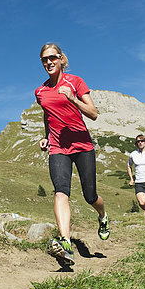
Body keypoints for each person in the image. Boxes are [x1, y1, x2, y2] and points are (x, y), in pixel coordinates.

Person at [35, 43, 110, 267]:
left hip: (82, 145)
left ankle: (103, 216)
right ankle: (66, 244)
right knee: (61, 192)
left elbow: (94, 114)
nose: (48, 62)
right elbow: (48, 115)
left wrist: (73, 100)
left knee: (90, 196)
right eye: (44, 60)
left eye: (52, 58)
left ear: (61, 59)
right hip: (58, 147)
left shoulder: (75, 82)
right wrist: (47, 135)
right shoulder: (40, 92)